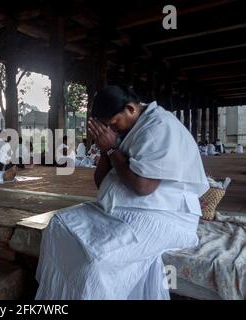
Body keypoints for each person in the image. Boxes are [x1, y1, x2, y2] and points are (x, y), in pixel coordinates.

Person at [36, 86, 209, 300]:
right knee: (58, 225)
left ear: (130, 109)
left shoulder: (159, 127)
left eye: (113, 124)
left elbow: (143, 187)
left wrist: (111, 149)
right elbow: (101, 182)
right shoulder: (127, 129)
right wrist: (104, 149)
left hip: (165, 215)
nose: (111, 130)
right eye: (106, 127)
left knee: (95, 261)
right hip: (126, 208)